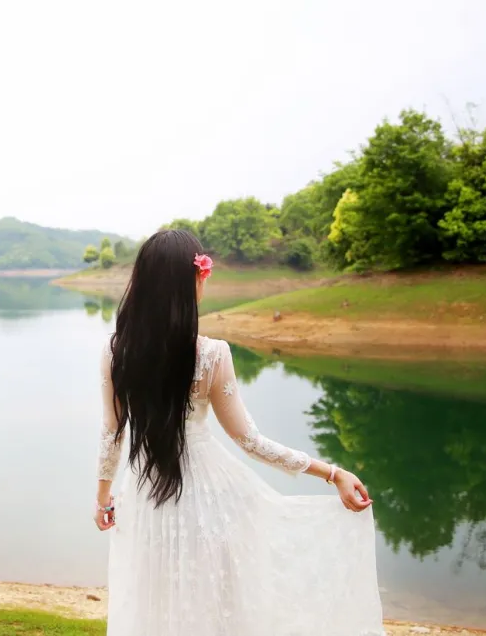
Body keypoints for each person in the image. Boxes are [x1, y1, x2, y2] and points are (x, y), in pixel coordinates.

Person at [94, 229, 383, 635]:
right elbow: (250, 441)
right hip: (211, 497)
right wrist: (332, 473)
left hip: (143, 497)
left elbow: (112, 432)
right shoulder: (211, 355)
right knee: (216, 606)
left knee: (153, 602)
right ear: (193, 280)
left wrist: (103, 496)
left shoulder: (115, 351)